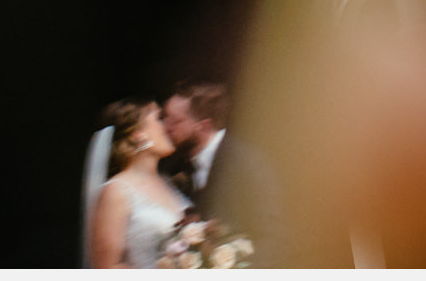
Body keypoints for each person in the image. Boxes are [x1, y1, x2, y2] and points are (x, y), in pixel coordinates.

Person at [162, 82, 285, 265]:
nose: (165, 127)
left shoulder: (246, 163)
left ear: (203, 126)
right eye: (165, 118)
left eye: (176, 121)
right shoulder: (177, 169)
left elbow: (274, 236)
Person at [86, 99, 189, 268]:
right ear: (138, 133)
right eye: (159, 118)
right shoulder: (116, 190)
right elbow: (106, 267)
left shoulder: (170, 184)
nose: (167, 125)